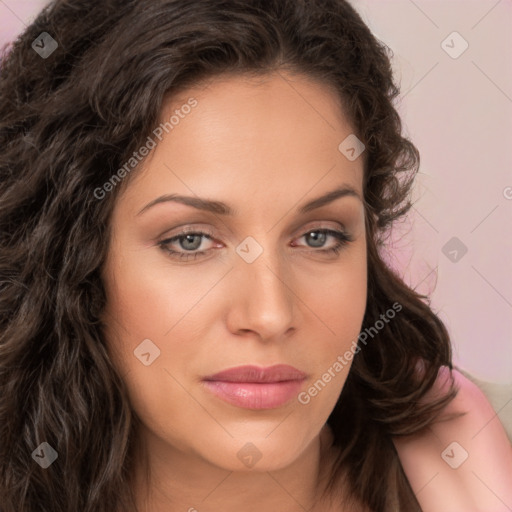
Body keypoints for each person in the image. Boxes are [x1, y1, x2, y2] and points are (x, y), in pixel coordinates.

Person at [0, 1, 510, 511]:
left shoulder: (489, 449)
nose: (270, 315)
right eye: (191, 240)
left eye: (318, 237)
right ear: (74, 262)